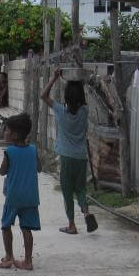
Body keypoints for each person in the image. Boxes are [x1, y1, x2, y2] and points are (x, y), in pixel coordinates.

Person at [41, 68, 98, 234]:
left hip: (66, 157)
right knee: (80, 188)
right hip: (81, 156)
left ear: (66, 96)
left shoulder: (60, 110)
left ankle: (72, 225)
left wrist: (54, 79)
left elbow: (43, 96)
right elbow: (83, 100)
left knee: (67, 191)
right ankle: (86, 212)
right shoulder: (84, 111)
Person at [0, 113, 40, 270]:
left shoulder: (10, 151)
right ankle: (28, 261)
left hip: (13, 196)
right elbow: (39, 168)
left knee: (6, 225)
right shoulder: (33, 150)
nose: (4, 132)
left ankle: (8, 257)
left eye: (6, 130)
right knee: (26, 227)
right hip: (30, 196)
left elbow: (2, 171)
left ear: (14, 135)